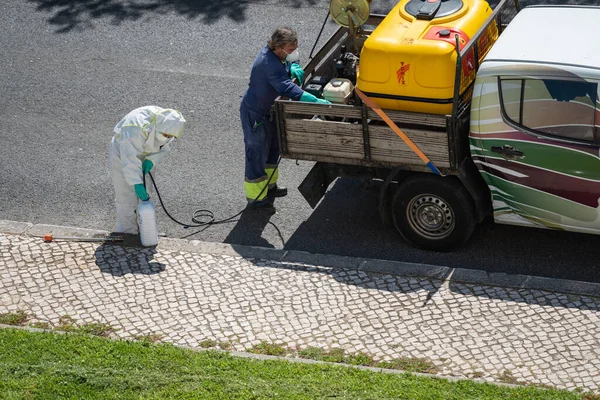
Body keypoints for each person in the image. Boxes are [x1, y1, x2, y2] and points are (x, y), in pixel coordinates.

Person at [241, 26, 330, 213]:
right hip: (255, 114)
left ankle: (270, 188)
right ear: (278, 47)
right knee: (256, 155)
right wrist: (313, 100)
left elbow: (290, 61)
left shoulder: (277, 56)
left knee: (273, 149)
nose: (293, 53)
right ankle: (257, 199)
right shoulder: (269, 64)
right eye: (290, 50)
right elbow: (288, 89)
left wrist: (293, 64)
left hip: (268, 111)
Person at [109, 106, 186, 234]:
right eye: (166, 135)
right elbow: (129, 159)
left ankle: (146, 230)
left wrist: (152, 159)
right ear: (160, 127)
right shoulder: (136, 126)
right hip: (122, 153)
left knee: (146, 194)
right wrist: (136, 182)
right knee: (126, 196)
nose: (167, 137)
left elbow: (164, 146)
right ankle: (127, 232)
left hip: (147, 153)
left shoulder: (168, 125)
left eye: (170, 136)